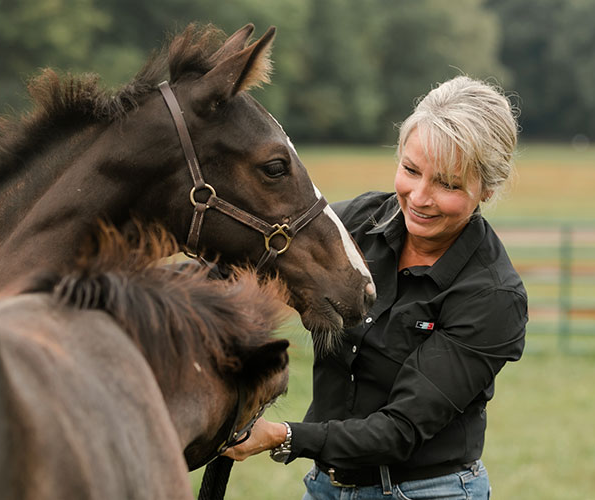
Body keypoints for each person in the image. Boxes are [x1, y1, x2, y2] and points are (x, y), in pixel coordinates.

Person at [223, 76, 524, 500]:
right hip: (325, 488)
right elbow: (254, 256)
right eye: (411, 170)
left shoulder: (492, 297)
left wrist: (282, 435)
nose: (419, 197)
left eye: (449, 184)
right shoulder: (355, 225)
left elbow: (398, 430)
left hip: (427, 492)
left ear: (487, 189)